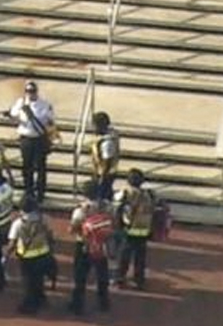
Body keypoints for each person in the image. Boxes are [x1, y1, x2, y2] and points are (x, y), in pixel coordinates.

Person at [6, 195, 56, 315]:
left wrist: (6, 254)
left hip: (26, 256)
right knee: (39, 279)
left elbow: (12, 242)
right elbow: (50, 235)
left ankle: (29, 304)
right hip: (43, 253)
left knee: (28, 282)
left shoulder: (18, 223)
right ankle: (41, 299)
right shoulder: (44, 219)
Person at [69, 180, 113, 315]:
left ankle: (77, 305)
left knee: (80, 276)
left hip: (84, 245)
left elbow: (73, 229)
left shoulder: (80, 210)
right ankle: (103, 302)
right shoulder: (107, 206)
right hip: (101, 244)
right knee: (102, 275)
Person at [7, 80, 55, 202]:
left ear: (36, 92)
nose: (30, 93)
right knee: (27, 166)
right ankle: (28, 191)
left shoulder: (44, 104)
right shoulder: (21, 102)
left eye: (32, 91)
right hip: (26, 138)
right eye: (28, 91)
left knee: (40, 167)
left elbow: (51, 120)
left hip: (39, 139)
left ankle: (40, 193)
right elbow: (13, 115)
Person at [115, 168, 155, 290]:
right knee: (140, 256)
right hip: (144, 229)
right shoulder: (149, 194)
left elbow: (116, 203)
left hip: (129, 228)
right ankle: (139, 280)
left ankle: (120, 278)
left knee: (124, 255)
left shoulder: (126, 193)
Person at [89, 111, 120, 201]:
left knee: (102, 196)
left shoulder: (107, 142)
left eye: (94, 125)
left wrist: (101, 178)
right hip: (101, 171)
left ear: (100, 126)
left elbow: (107, 161)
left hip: (105, 174)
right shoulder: (102, 138)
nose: (92, 128)